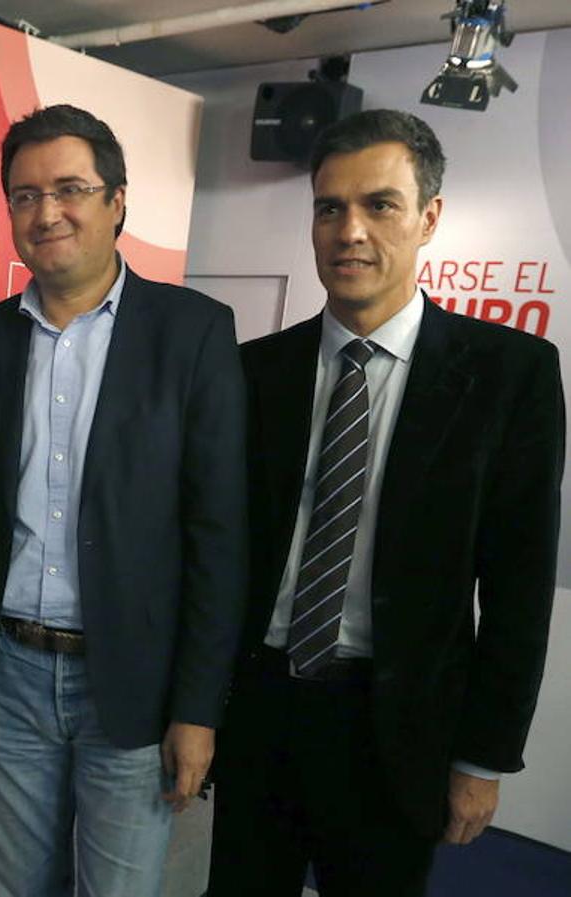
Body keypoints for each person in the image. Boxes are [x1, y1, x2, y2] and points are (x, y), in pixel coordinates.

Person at [207, 109, 565, 897]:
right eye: (329, 207)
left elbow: (519, 588)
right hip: (261, 708)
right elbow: (220, 551)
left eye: (379, 204)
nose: (350, 231)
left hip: (397, 725)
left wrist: (483, 757)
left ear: (429, 217)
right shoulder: (255, 369)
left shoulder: (510, 375)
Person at [0, 104, 247, 897]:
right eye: (24, 195)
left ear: (117, 201)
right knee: (18, 886)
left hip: (131, 679)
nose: (46, 211)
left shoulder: (192, 332)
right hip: (9, 674)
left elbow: (219, 536)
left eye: (69, 188)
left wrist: (199, 708)